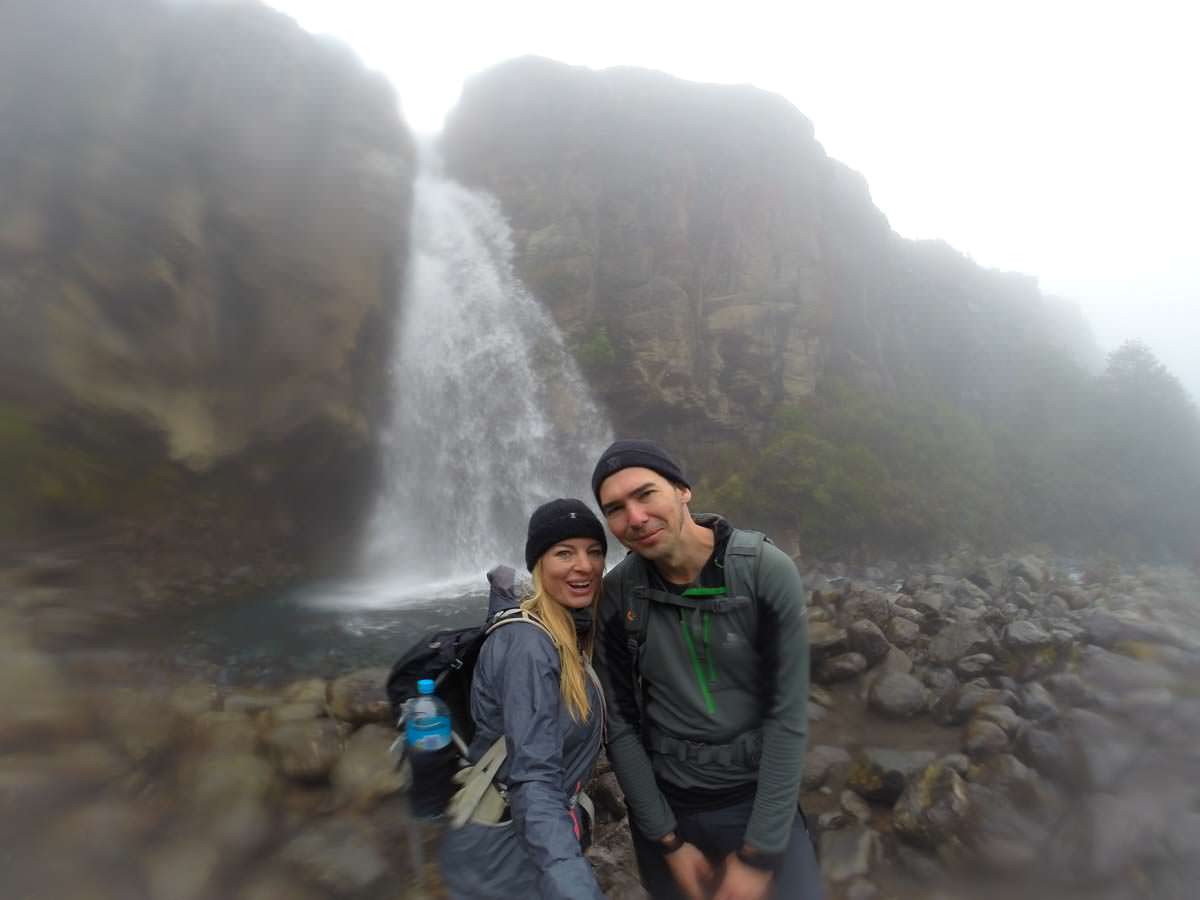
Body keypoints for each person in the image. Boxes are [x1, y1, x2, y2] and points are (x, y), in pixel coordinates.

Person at [591, 440, 822, 900]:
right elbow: (619, 725)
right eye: (615, 509)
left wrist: (759, 854)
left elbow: (788, 716)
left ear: (683, 491)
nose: (634, 518)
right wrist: (668, 841)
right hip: (669, 809)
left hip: (756, 801)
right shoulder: (619, 594)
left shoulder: (764, 573)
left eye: (645, 494)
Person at [439, 499, 608, 900]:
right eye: (564, 553)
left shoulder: (563, 629)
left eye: (594, 551)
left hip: (523, 848)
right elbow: (534, 779)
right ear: (538, 564)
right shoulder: (528, 646)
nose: (583, 565)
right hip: (504, 864)